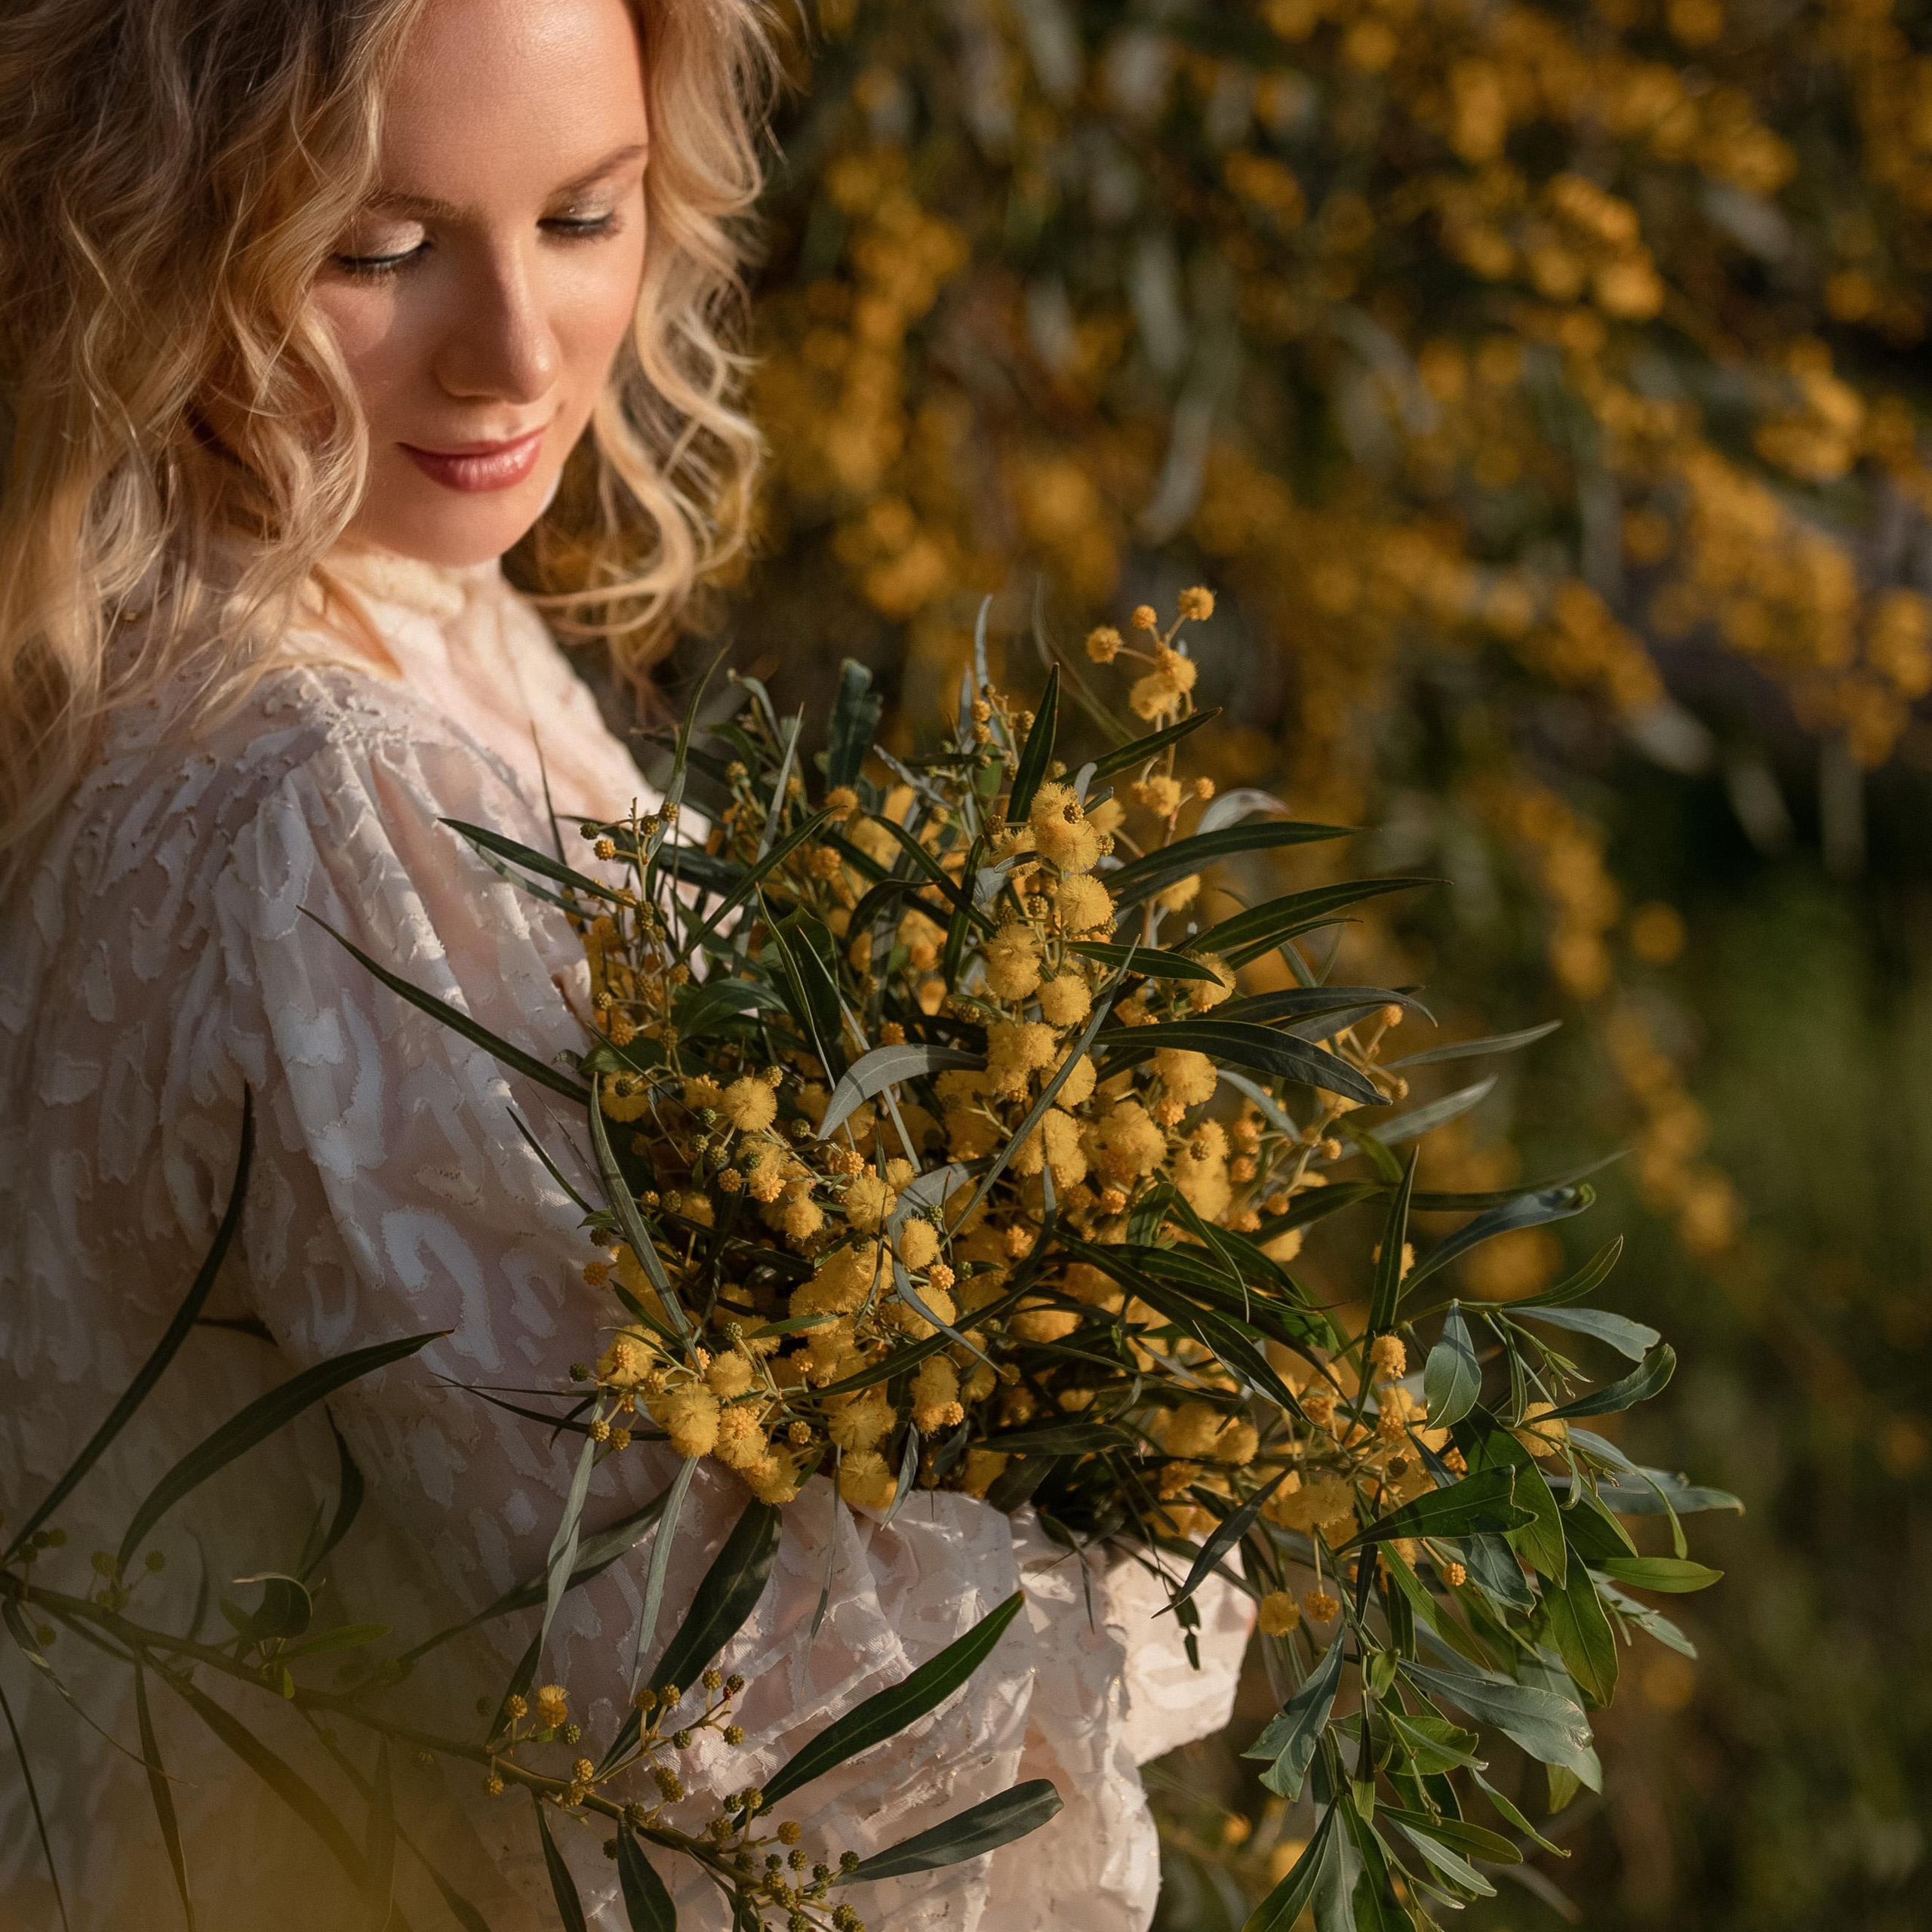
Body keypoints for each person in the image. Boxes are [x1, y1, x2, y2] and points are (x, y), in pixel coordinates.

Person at [0, 2, 1252, 1925]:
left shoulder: (366, 603)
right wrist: (1166, 1491)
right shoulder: (326, 798)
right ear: (155, 223)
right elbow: (757, 1719)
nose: (512, 350)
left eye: (584, 217)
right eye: (377, 249)